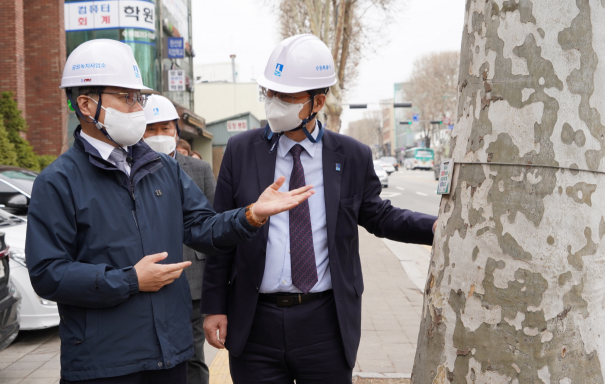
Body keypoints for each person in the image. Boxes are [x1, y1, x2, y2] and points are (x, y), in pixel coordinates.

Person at [25, 39, 315, 384]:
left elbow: (202, 228)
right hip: (103, 364)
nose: (138, 108)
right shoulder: (58, 181)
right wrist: (129, 280)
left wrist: (251, 215)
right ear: (87, 104)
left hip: (171, 356)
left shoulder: (162, 168)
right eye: (126, 97)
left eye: (139, 98)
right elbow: (48, 272)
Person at [201, 34, 438, 384]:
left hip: (325, 322)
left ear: (318, 102)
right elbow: (220, 234)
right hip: (254, 323)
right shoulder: (241, 151)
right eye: (270, 92)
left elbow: (378, 215)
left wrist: (433, 228)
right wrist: (214, 306)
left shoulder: (351, 155)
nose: (274, 102)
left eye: (287, 96)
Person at [143, 94, 214, 384]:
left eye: (166, 128)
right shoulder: (130, 169)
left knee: (194, 355)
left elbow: (212, 225)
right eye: (151, 129)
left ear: (176, 131)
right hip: (147, 278)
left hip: (193, 278)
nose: (159, 136)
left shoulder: (199, 170)